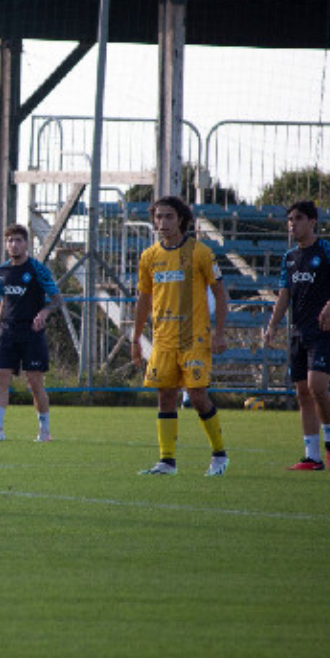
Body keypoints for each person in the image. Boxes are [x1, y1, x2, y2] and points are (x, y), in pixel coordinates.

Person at [132, 196, 230, 476]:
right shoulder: (149, 257)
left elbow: (222, 295)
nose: (162, 222)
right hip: (163, 340)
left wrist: (219, 333)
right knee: (165, 396)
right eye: (158, 217)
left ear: (182, 219)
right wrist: (136, 338)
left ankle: (219, 455)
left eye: (168, 217)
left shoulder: (200, 253)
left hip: (194, 338)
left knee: (198, 396)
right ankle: (167, 461)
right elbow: (143, 299)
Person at [263, 200, 330, 471]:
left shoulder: (328, 250)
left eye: (298, 218)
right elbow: (284, 294)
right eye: (290, 219)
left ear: (313, 221)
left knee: (317, 387)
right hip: (298, 332)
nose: (292, 224)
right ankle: (312, 456)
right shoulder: (290, 258)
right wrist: (272, 325)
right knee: (303, 393)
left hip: (324, 332)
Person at [0, 224, 63, 442]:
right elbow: (4, 300)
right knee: (0, 376)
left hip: (31, 332)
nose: (14, 244)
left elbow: (57, 299)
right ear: (6, 245)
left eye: (18, 240)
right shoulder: (3, 270)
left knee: (34, 381)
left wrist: (44, 312)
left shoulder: (37, 269)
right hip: (8, 330)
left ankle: (44, 431)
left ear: (26, 244)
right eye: (10, 241)